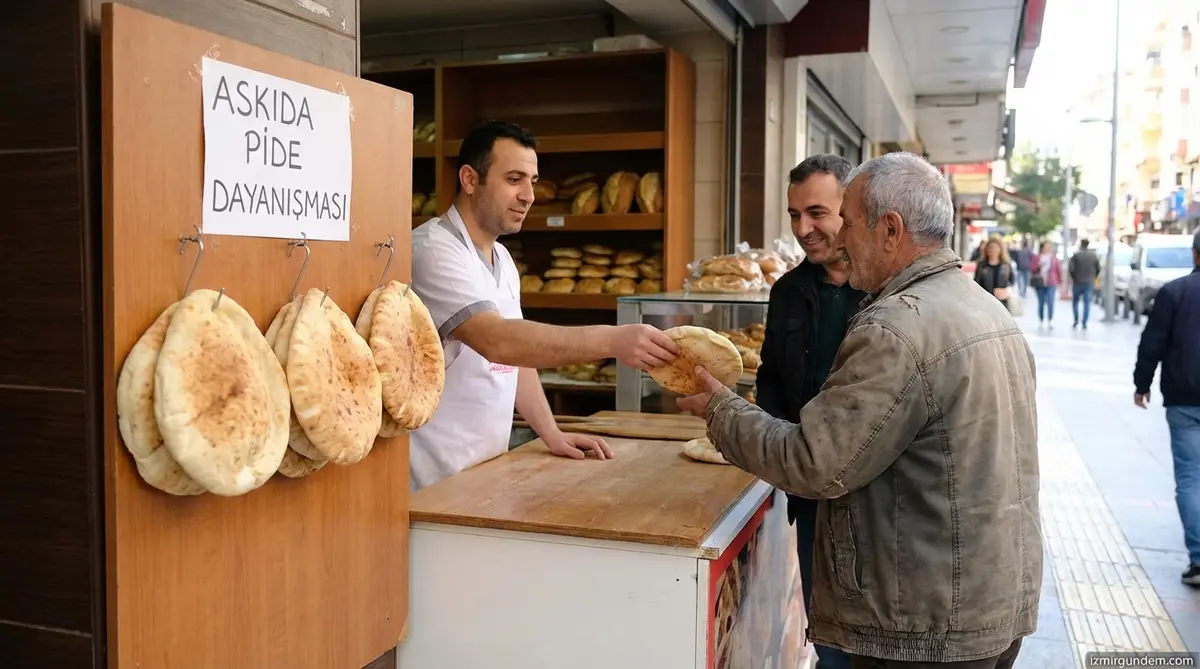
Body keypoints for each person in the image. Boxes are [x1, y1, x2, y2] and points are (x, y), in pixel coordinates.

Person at [679, 152, 1041, 669]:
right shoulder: (984, 307)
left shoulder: (897, 328)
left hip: (922, 624)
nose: (841, 240)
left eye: (846, 222)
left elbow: (815, 461)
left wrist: (719, 409)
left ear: (890, 230)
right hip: (987, 603)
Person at [407, 120, 679, 490]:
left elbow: (516, 359)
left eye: (533, 181)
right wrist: (611, 340)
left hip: (484, 468)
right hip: (432, 476)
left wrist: (551, 432)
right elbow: (497, 341)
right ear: (470, 179)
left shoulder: (502, 258)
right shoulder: (433, 250)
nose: (529, 196)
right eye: (514, 179)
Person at [758, 154, 861, 669]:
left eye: (817, 213)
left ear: (853, 208)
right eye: (794, 215)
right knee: (828, 638)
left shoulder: (890, 292)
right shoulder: (788, 291)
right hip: (812, 502)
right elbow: (771, 379)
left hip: (873, 508)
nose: (802, 229)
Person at [1133, 227, 1200, 586]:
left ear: (1195, 253)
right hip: (1183, 398)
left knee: (1190, 479)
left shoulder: (1174, 292)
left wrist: (1141, 384)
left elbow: (1152, 343)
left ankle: (1199, 560)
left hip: (1184, 398)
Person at [1068, 239, 1101, 329]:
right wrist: (1093, 277)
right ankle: (1084, 322)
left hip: (1077, 281)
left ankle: (1076, 320)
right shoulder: (1093, 256)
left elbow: (1071, 269)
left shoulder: (1076, 255)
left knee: (1075, 301)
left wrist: (1074, 277)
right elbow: (1098, 268)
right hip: (1089, 282)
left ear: (1081, 244)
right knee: (1087, 303)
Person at [973, 238, 1013, 308]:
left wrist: (1006, 292)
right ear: (986, 249)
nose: (993, 250)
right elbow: (976, 282)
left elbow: (1011, 281)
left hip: (1002, 303)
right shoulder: (981, 265)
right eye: (990, 247)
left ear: (1000, 249)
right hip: (985, 302)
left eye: (995, 247)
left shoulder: (1006, 265)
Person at [1029, 241, 1061, 327]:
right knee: (1041, 302)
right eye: (1046, 246)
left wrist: (1060, 282)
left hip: (1051, 283)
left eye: (1049, 246)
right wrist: (1039, 265)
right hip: (1040, 283)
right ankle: (1041, 319)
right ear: (1042, 247)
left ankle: (1050, 319)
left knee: (1050, 301)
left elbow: (1058, 270)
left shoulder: (1054, 258)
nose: (1047, 248)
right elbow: (1032, 269)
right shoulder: (1037, 257)